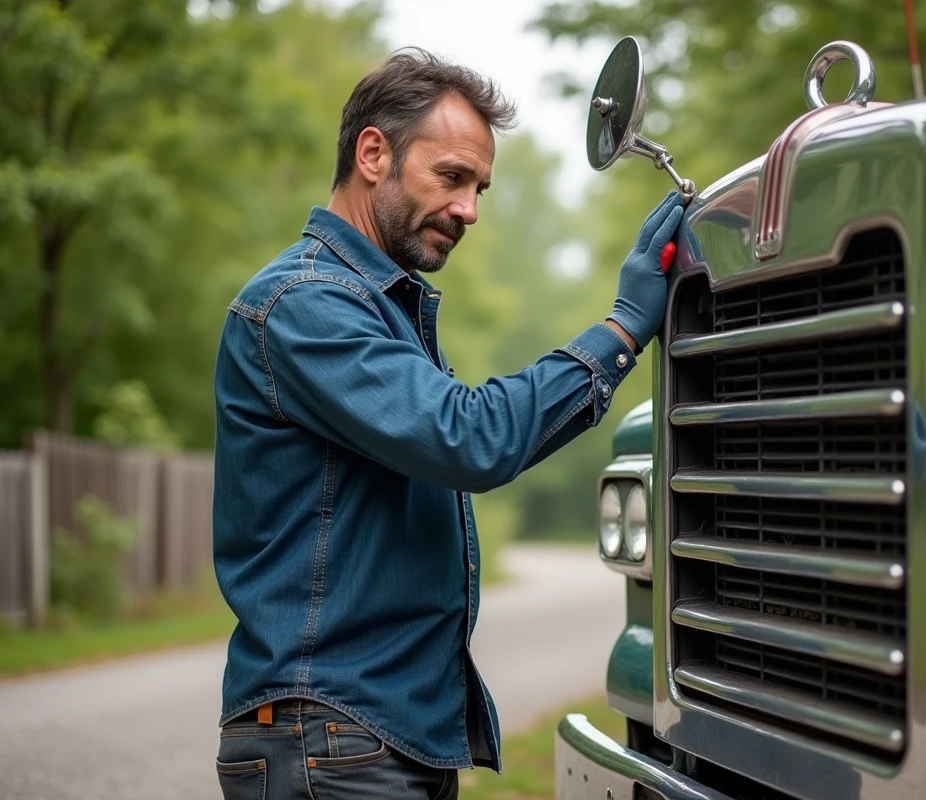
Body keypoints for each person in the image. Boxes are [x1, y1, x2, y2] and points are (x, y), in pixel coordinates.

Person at [211, 47, 684, 800]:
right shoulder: (303, 306)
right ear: (374, 153)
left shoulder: (379, 310)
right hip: (330, 741)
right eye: (452, 177)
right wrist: (623, 329)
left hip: (380, 739)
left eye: (480, 188)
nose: (469, 208)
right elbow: (470, 437)